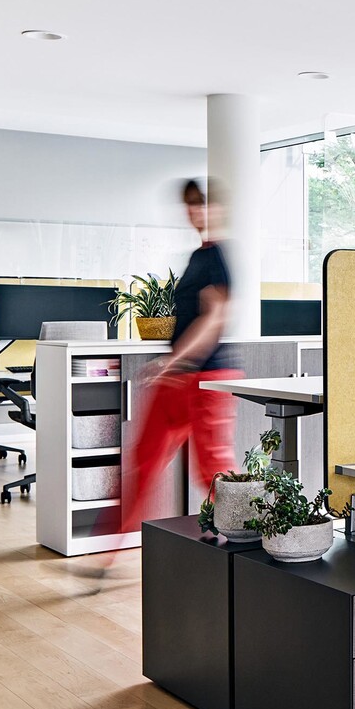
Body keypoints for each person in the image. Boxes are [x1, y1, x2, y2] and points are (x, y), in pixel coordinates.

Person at [114, 178, 242, 546]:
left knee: (213, 472)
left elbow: (212, 320)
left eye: (202, 204)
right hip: (179, 379)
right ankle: (109, 551)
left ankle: (250, 542)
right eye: (190, 204)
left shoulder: (218, 258)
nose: (195, 212)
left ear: (218, 209)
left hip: (207, 380)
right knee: (143, 461)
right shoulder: (198, 256)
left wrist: (174, 359)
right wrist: (173, 365)